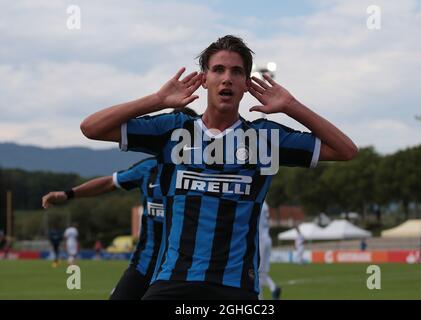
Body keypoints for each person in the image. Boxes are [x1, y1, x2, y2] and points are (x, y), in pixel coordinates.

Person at [80, 35, 358, 300]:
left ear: (246, 83)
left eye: (237, 72)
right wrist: (157, 100)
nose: (227, 78)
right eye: (218, 70)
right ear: (204, 78)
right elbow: (91, 128)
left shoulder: (265, 138)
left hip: (236, 287)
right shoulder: (173, 130)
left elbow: (345, 151)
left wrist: (291, 106)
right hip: (172, 282)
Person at [42, 157, 163, 299]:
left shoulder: (194, 169)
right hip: (144, 265)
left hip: (185, 269)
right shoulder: (149, 167)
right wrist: (67, 194)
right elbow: (110, 182)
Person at [258, 201, 281, 300]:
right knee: (262, 273)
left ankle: (260, 298)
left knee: (257, 272)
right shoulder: (266, 204)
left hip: (260, 240)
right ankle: (274, 288)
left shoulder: (259, 202)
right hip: (267, 238)